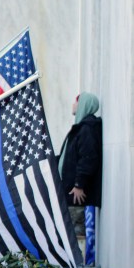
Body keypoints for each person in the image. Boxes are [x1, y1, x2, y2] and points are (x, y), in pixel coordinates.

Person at [59, 92, 102, 238]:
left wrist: (79, 184)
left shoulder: (87, 129)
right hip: (70, 192)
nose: (73, 104)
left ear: (84, 104)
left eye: (76, 101)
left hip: (76, 195)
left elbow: (88, 158)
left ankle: (80, 262)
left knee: (76, 235)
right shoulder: (81, 128)